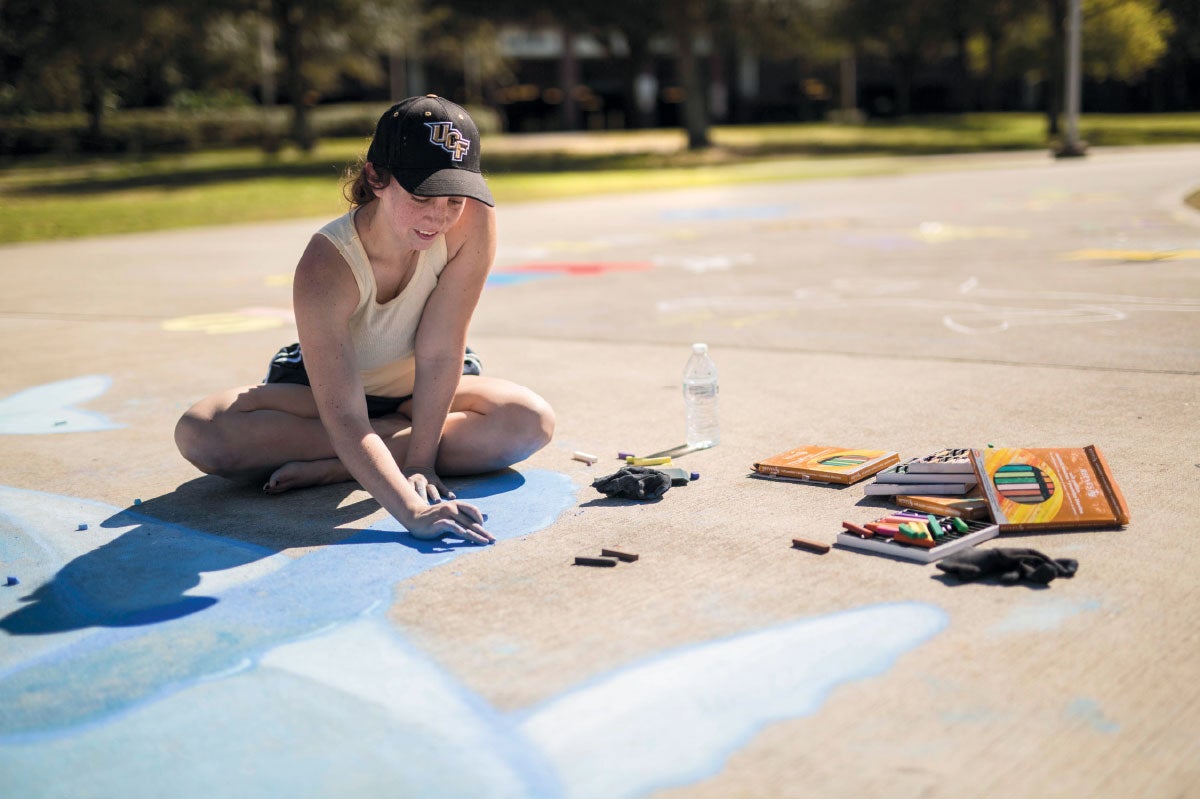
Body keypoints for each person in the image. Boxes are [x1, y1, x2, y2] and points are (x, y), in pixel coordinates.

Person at [174, 95, 555, 545]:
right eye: (421, 196)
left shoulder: (472, 219)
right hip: (322, 399)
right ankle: (375, 452)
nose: (439, 216)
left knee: (529, 421)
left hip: (423, 390)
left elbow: (440, 350)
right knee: (203, 433)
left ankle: (350, 463)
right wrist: (413, 510)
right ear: (376, 177)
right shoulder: (326, 265)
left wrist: (420, 463)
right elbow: (345, 416)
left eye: (454, 198)